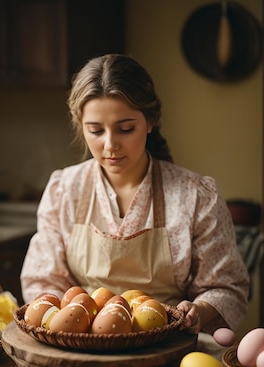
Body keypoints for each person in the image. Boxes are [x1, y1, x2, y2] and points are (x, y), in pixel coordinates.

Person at [20, 54, 249, 334]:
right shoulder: (64, 190)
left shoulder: (196, 196)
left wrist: (198, 310)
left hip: (165, 344)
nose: (110, 145)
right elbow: (43, 281)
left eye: (126, 129)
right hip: (82, 344)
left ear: (150, 121)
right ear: (80, 125)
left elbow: (226, 287)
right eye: (95, 131)